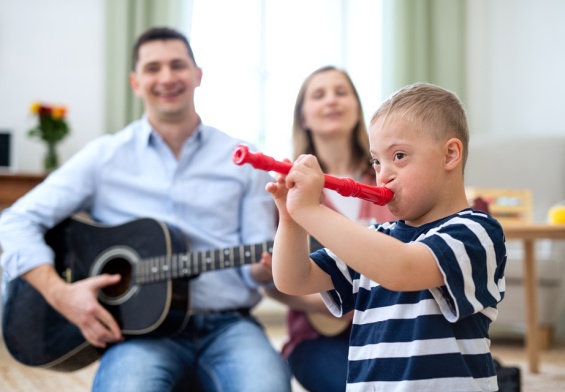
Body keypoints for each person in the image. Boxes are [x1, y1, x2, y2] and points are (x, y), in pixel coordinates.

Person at [0, 27, 291, 391]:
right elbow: (14, 221)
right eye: (153, 68)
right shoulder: (104, 157)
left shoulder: (244, 158)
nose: (166, 77)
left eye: (177, 65)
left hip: (229, 326)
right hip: (140, 335)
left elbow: (256, 272)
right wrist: (60, 293)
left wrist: (267, 268)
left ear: (198, 75)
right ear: (136, 83)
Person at [266, 82, 507, 391]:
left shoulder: (476, 232)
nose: (383, 174)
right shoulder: (375, 238)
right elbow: (293, 280)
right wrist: (290, 218)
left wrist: (312, 210)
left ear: (450, 154)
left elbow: (401, 269)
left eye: (400, 156)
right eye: (377, 161)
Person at [262, 65, 395, 392]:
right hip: (319, 339)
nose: (331, 101)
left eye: (341, 92)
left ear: (357, 108)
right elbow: (278, 283)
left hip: (395, 328)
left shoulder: (390, 178)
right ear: (303, 117)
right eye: (318, 95)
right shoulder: (288, 189)